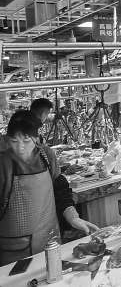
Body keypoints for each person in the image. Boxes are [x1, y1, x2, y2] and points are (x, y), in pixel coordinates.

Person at [0, 111, 99, 265]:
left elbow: (60, 191)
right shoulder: (3, 164)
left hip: (50, 242)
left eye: (26, 140)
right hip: (15, 253)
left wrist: (73, 218)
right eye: (14, 141)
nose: (20, 148)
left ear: (36, 138)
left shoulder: (46, 155)